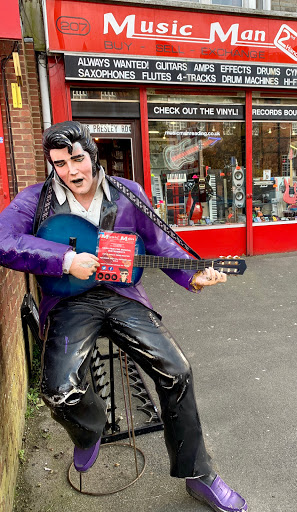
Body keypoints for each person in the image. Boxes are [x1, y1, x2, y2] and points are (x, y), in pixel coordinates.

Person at [0, 121, 247, 512]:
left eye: (77, 159)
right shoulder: (38, 200)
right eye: (60, 164)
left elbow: (159, 241)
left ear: (92, 155)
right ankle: (89, 430)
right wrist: (64, 260)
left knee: (176, 370)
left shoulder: (127, 193)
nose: (72, 171)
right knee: (58, 391)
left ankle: (199, 475)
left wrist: (193, 274)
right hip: (69, 302)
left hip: (123, 294)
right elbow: (3, 239)